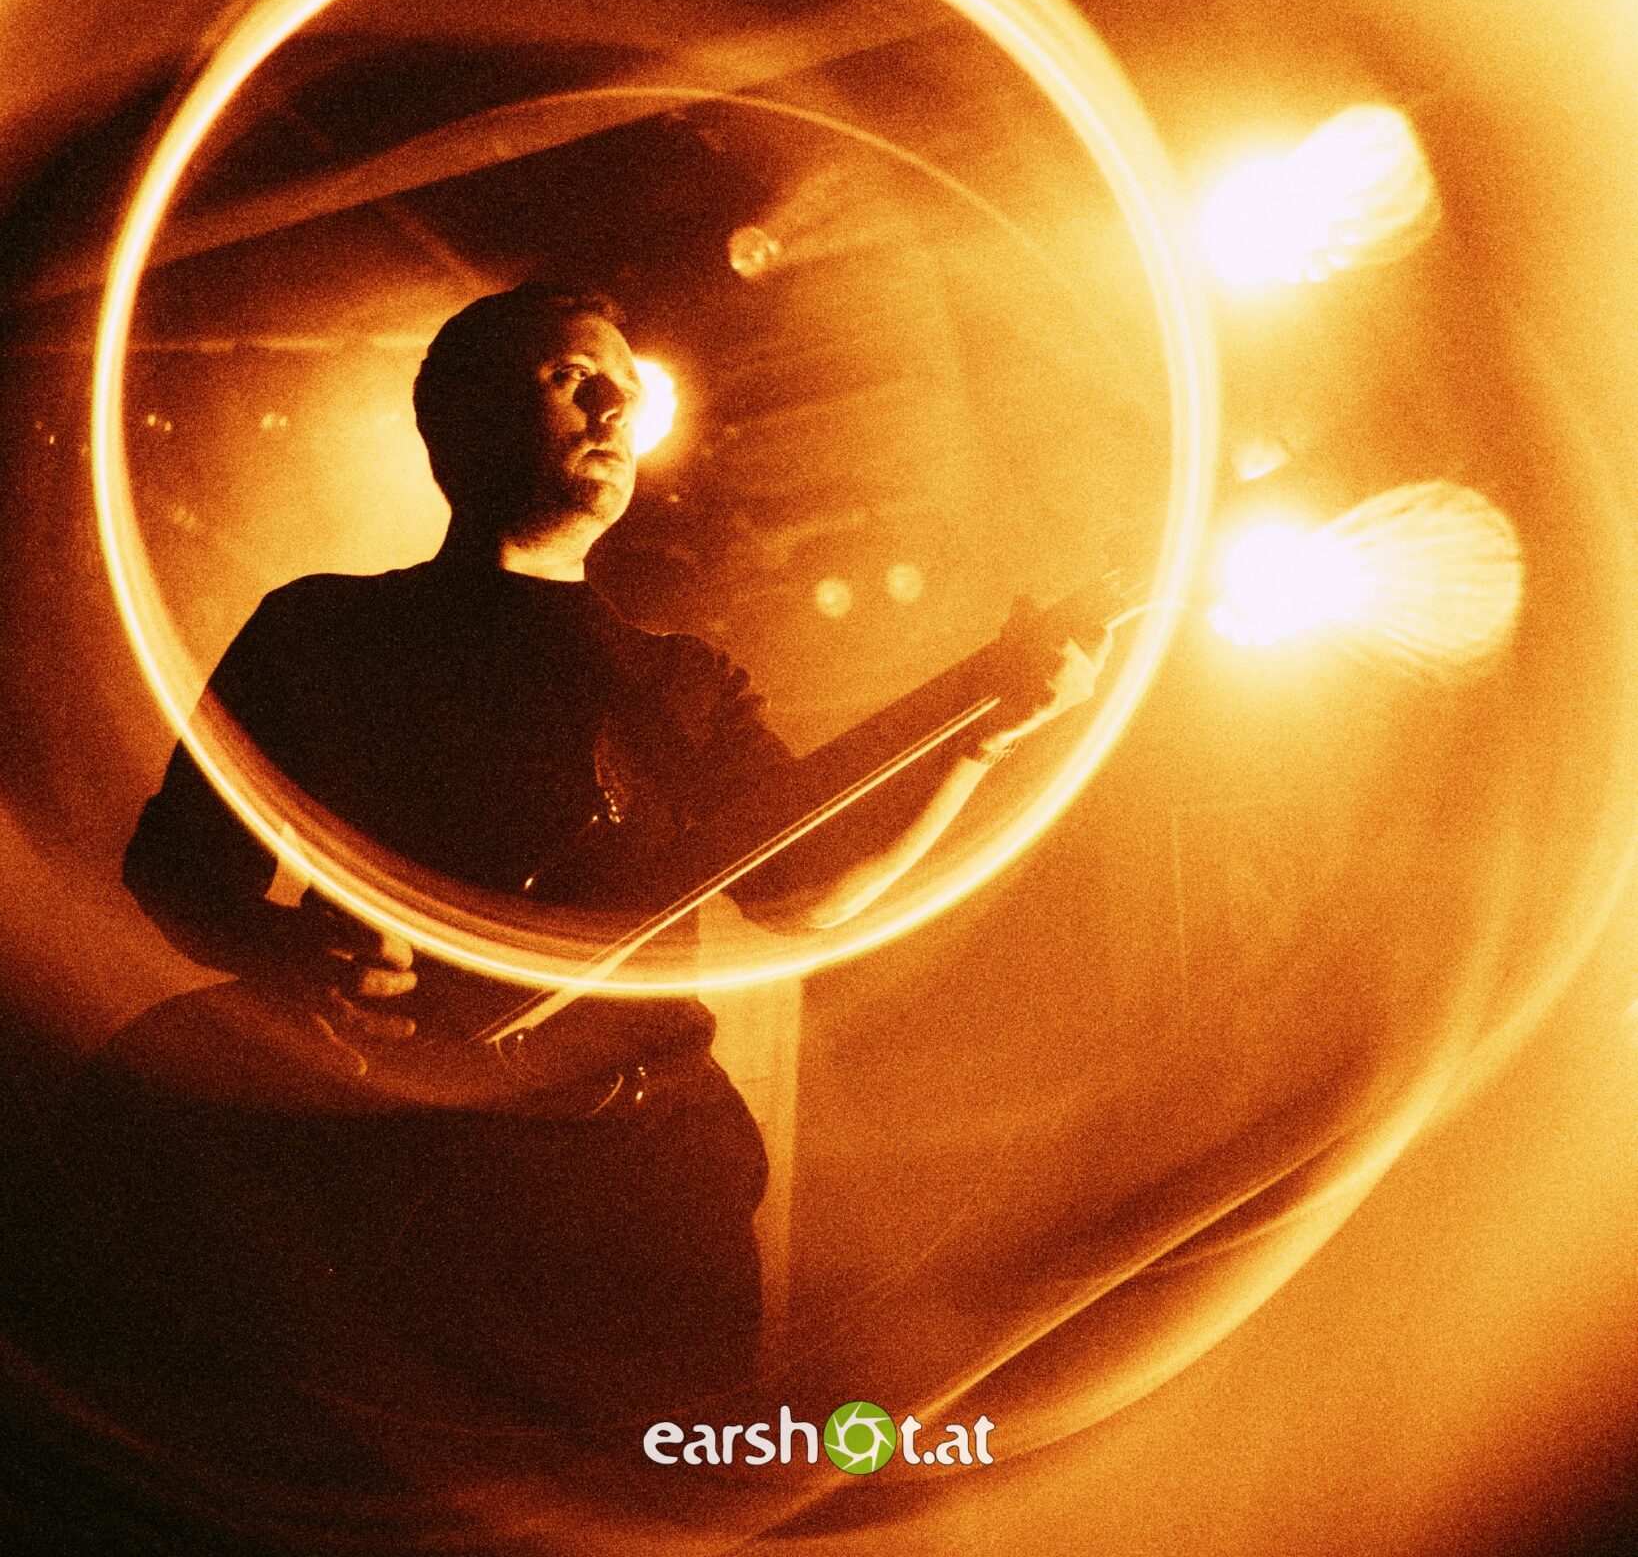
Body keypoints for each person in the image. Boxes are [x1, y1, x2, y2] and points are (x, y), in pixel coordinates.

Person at [107, 282, 1101, 1429]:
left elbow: (807, 892)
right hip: (398, 1191)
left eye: (629, 391)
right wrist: (295, 961)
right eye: (574, 377)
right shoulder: (323, 630)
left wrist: (976, 740)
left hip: (639, 1189)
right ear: (461, 414)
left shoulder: (684, 679)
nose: (615, 408)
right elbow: (172, 866)